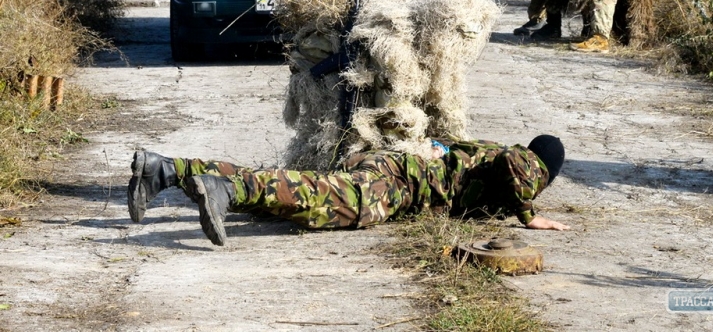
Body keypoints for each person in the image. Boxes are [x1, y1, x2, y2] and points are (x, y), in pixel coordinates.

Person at [128, 135, 569, 247]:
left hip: (391, 170)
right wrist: (529, 214)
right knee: (330, 203)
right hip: (396, 185)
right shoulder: (525, 159)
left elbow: (444, 149)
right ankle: (225, 191)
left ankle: (165, 170)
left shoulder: (488, 153)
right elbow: (516, 165)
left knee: (298, 187)